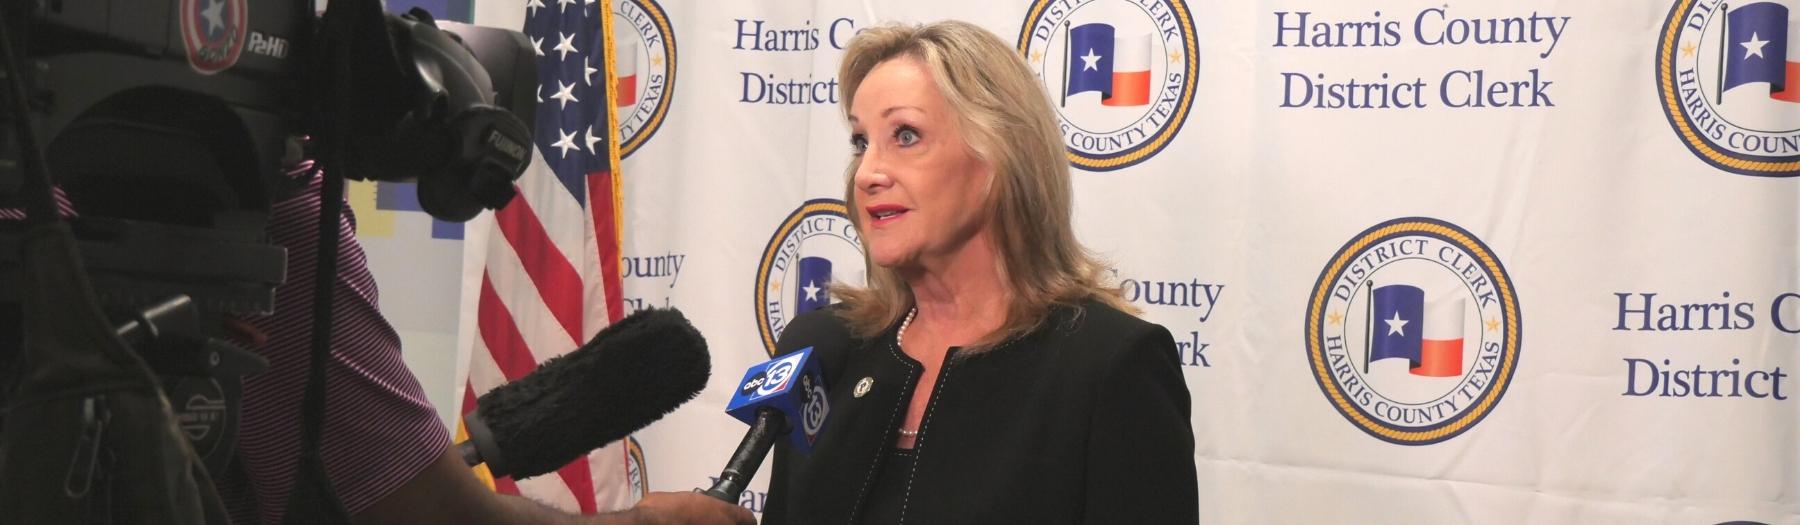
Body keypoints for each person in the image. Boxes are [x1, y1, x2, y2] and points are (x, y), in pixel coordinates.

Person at [761, 21, 1198, 524]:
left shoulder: (1108, 367)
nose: (867, 173)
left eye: (905, 135)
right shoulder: (821, 346)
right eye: (862, 141)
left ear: (998, 155)